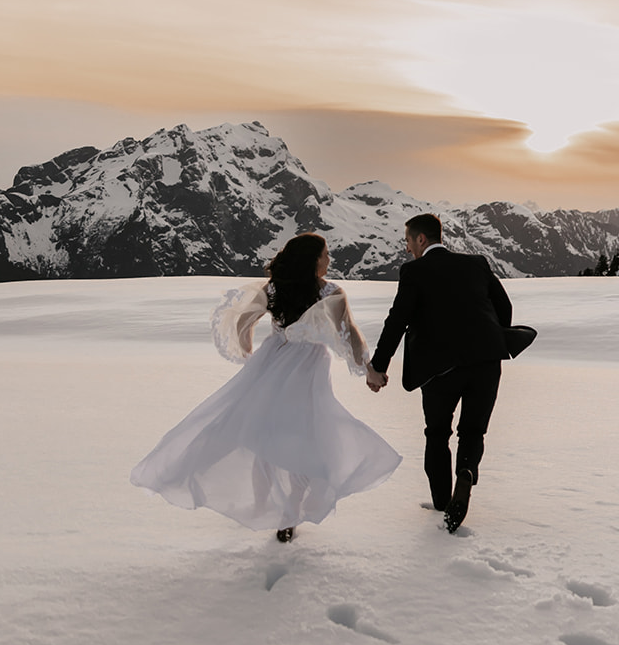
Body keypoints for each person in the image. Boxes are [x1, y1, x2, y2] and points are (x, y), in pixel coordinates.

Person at [131, 233, 399, 541]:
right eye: (325, 255)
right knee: (305, 436)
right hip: (308, 369)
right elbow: (348, 333)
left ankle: (264, 504)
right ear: (312, 260)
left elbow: (244, 320)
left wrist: (249, 353)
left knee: (265, 434)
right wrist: (369, 370)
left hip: (272, 363)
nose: (329, 260)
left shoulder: (274, 288)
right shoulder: (331, 291)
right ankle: (288, 513)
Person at [370, 213, 513, 533]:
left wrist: (378, 366)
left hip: (439, 369)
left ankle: (441, 503)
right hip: (487, 362)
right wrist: (491, 335)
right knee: (473, 431)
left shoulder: (414, 271)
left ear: (421, 240)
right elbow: (504, 308)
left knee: (437, 433)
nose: (407, 249)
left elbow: (397, 321)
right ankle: (466, 475)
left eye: (408, 241)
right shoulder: (477, 263)